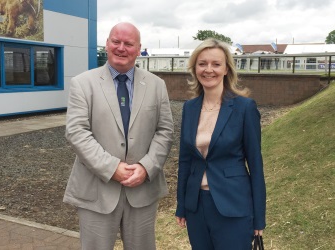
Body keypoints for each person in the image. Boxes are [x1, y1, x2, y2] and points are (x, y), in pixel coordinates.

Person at [63, 22, 174, 250]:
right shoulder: (83, 84)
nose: (121, 48)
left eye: (128, 43)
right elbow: (76, 132)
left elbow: (165, 131)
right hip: (97, 191)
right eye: (116, 41)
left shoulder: (157, 85)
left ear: (139, 48)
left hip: (142, 190)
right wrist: (112, 168)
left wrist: (147, 167)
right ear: (107, 44)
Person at [175, 38, 266, 249]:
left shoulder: (244, 108)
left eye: (216, 64)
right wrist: (182, 205)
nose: (209, 70)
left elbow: (255, 164)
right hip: (196, 207)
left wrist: (259, 217)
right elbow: (185, 160)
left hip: (233, 206)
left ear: (226, 69)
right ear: (194, 68)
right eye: (202, 63)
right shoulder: (189, 108)